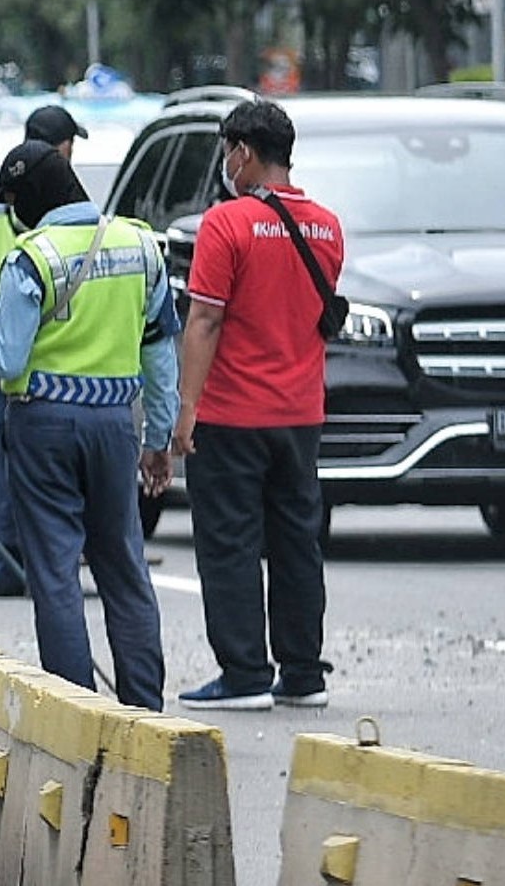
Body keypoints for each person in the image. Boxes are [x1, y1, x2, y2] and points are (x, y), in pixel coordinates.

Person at [0, 139, 178, 710]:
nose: (12, 214)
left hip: (42, 425)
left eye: (12, 201)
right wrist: (159, 439)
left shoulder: (30, 259)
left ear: (32, 197)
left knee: (54, 572)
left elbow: (5, 359)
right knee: (124, 566)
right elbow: (160, 355)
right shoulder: (141, 247)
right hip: (115, 424)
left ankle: (78, 712)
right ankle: (146, 711)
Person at [169, 97, 343, 712]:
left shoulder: (225, 224)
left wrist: (185, 409)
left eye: (227, 152)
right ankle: (302, 672)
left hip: (232, 414)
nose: (227, 164)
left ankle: (243, 673)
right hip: (301, 415)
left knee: (230, 543)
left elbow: (205, 321)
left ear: (243, 152)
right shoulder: (327, 226)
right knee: (297, 542)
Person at [0, 100, 82, 599]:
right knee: (36, 469)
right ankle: (34, 565)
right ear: (61, 150)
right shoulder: (70, 217)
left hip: (6, 349)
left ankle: (11, 565)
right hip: (51, 357)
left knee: (12, 463)